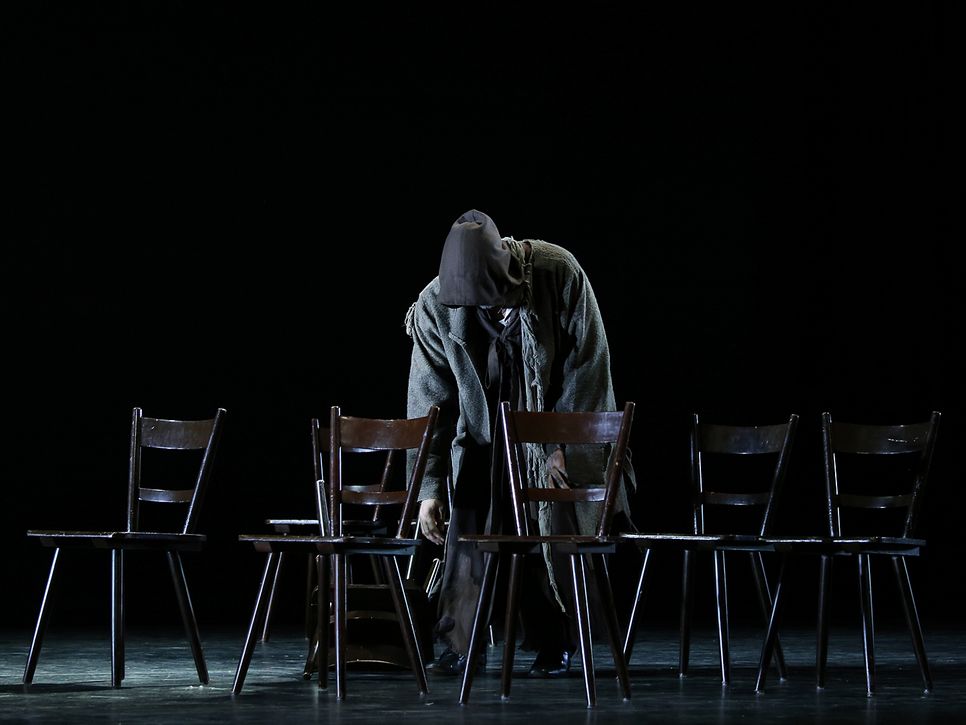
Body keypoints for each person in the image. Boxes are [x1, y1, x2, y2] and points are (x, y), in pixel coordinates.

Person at [404, 209, 635, 677]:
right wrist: (428, 488)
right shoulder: (435, 304)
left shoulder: (558, 273)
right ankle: (462, 641)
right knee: (467, 528)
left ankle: (557, 640)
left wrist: (561, 443)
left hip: (550, 432)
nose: (489, 312)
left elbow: (588, 368)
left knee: (552, 530)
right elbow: (429, 400)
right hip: (482, 435)